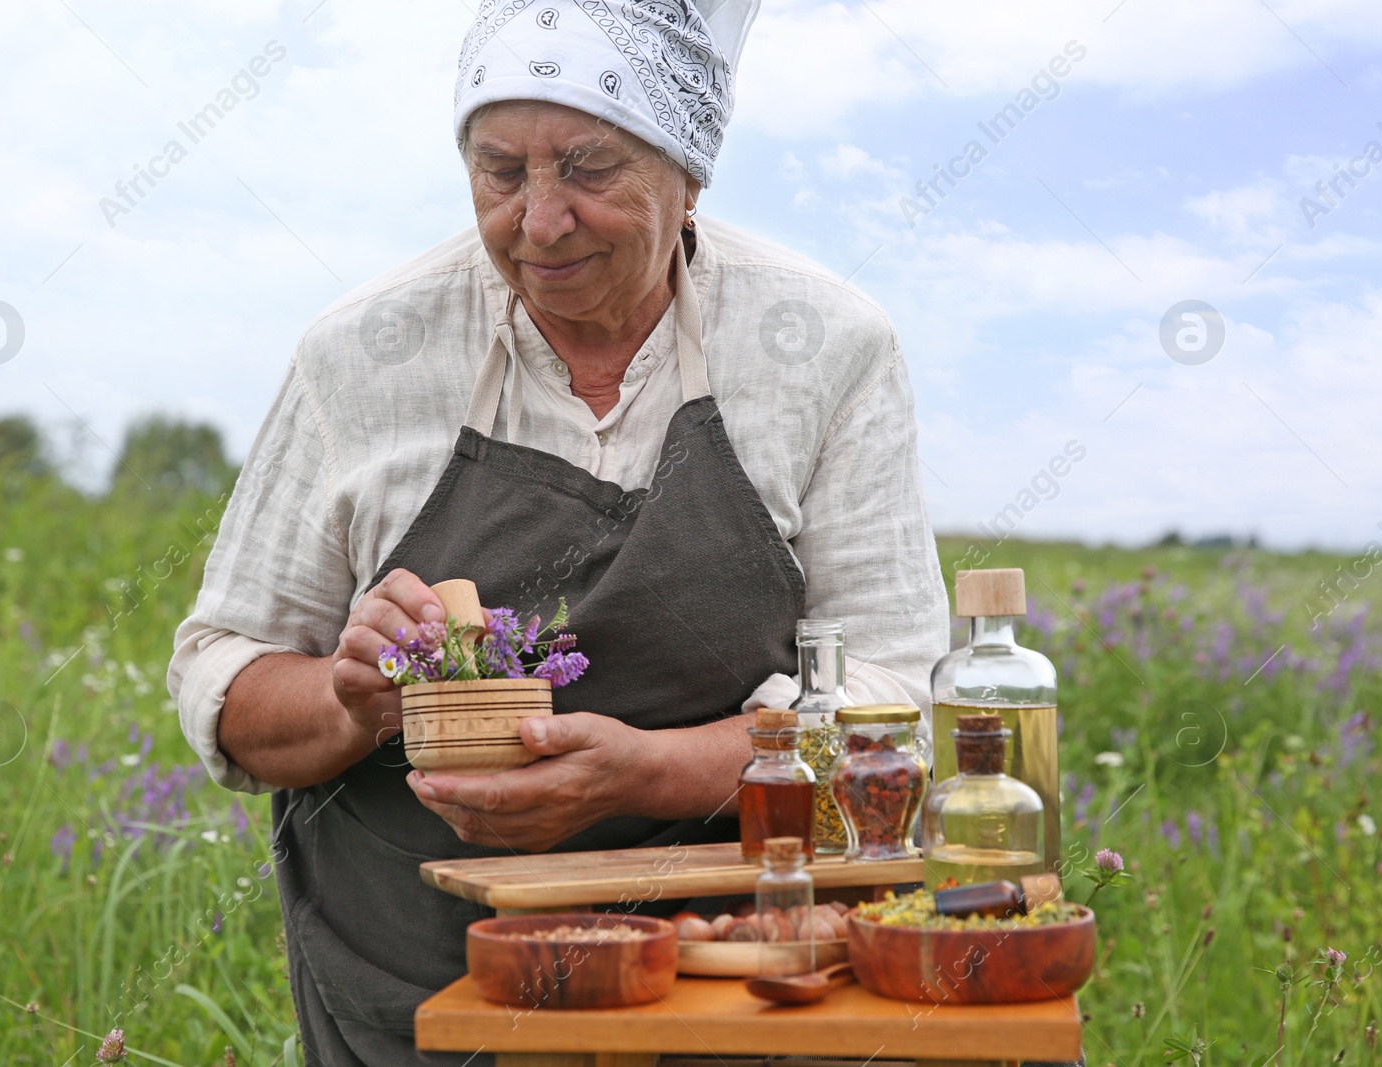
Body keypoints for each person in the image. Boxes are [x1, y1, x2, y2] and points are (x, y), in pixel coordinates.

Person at [169, 1, 948, 1063]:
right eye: (500, 172)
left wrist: (652, 771)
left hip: (740, 960)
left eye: (587, 168)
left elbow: (898, 695)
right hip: (425, 972)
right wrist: (347, 698)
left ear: (690, 174)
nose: (538, 223)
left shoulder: (822, 345)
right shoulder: (363, 352)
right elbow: (228, 681)